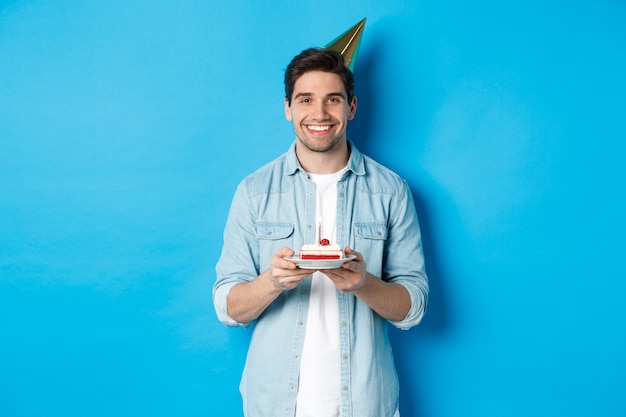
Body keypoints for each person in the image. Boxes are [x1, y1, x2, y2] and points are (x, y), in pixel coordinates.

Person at [213, 47, 428, 417]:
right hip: (273, 404)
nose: (319, 114)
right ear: (288, 108)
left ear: (352, 107)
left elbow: (413, 307)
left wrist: (363, 283)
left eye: (333, 99)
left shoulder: (391, 191)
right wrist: (274, 281)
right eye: (305, 100)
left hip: (366, 403)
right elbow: (228, 308)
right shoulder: (254, 191)